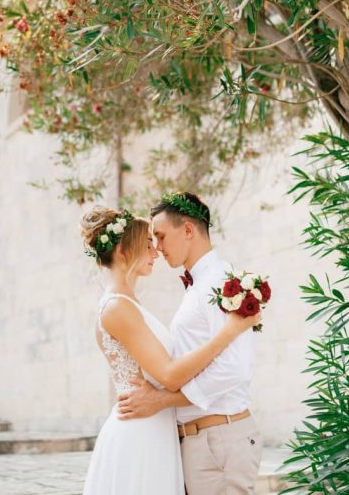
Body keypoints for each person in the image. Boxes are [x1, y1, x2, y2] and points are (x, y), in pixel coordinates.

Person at [79, 206, 260, 495]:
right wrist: (228, 333)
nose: (156, 251)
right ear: (125, 250)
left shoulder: (129, 303)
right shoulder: (117, 308)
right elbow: (169, 374)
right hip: (140, 431)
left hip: (160, 430)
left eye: (158, 240)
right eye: (149, 243)